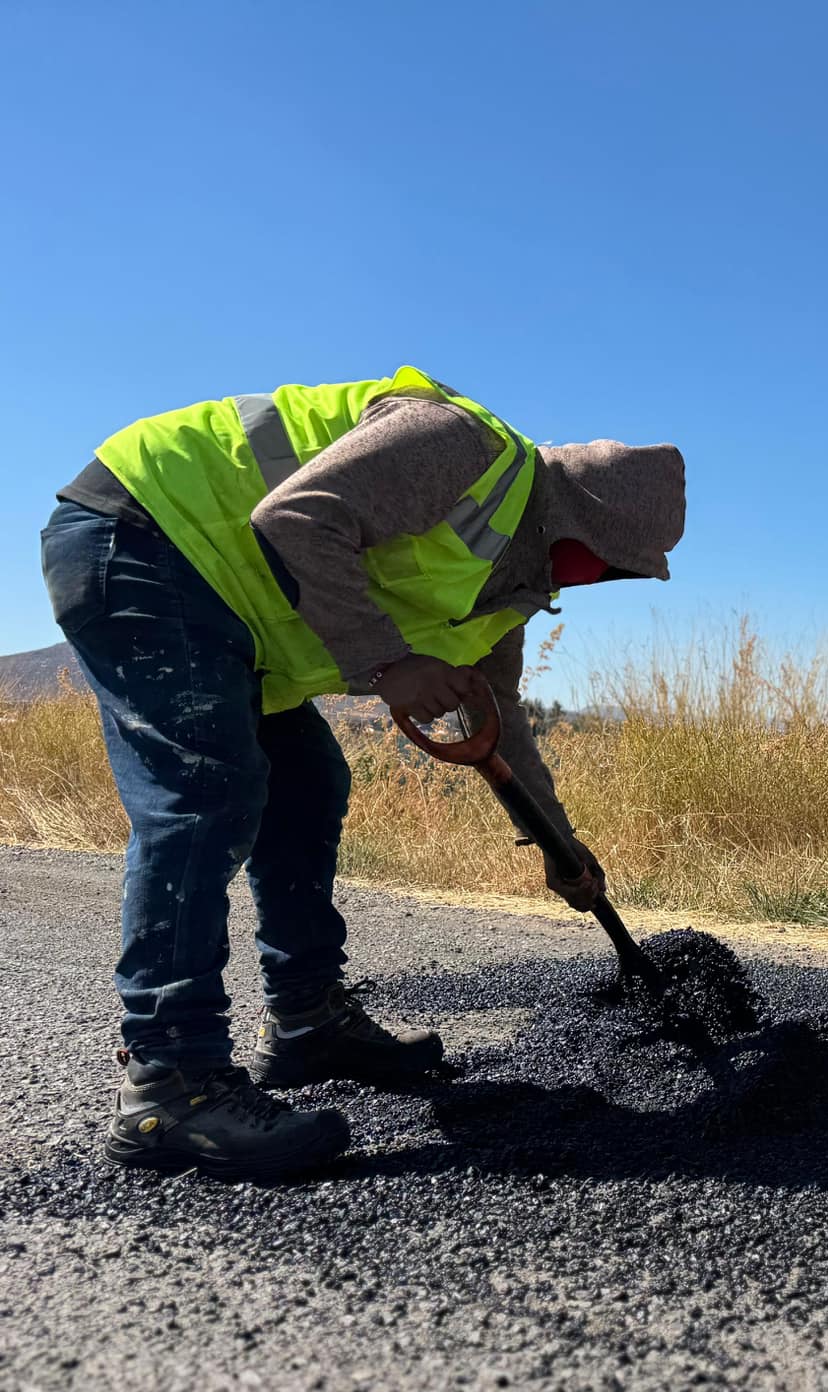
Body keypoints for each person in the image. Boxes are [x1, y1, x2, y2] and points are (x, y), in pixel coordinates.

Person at [40, 367, 688, 1178]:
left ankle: (307, 1021)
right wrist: (389, 663)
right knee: (208, 791)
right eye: (607, 565)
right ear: (582, 521)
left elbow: (500, 721)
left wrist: (562, 847)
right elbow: (296, 516)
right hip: (148, 531)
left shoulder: (508, 589)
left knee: (308, 782)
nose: (593, 581)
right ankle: (171, 1083)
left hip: (233, 606)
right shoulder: (460, 444)